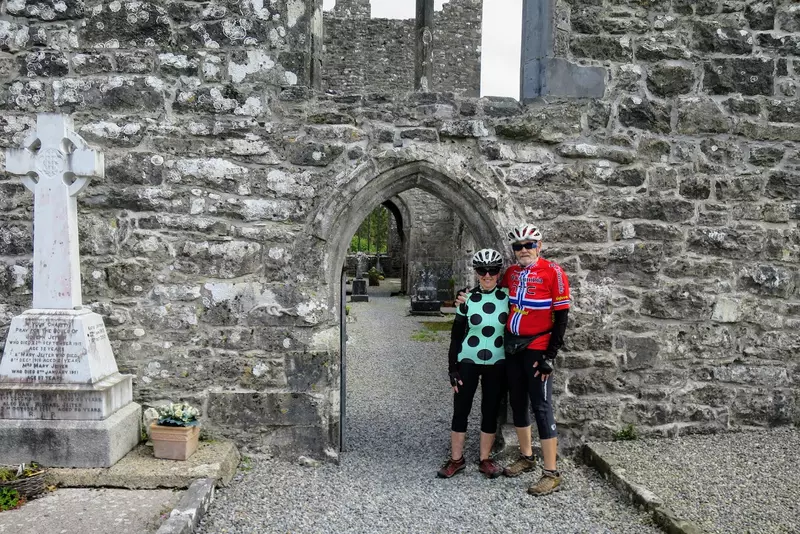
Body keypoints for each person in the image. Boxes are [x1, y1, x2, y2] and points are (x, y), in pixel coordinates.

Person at [456, 224, 570, 496]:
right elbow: (490, 290)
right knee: (518, 403)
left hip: (538, 347)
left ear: (539, 246)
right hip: (513, 348)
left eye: (528, 244)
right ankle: (527, 457)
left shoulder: (553, 272)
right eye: (518, 246)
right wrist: (464, 294)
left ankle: (551, 473)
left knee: (541, 406)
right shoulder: (511, 274)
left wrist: (550, 355)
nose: (523, 250)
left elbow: (562, 318)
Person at [437, 249, 509, 479]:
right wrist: (452, 369)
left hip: (497, 362)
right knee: (461, 409)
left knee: (490, 410)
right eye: (482, 270)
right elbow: (456, 337)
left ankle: (485, 459)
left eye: (492, 270)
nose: (487, 275)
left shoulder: (508, 297)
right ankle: (456, 460)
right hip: (468, 360)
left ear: (499, 272)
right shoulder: (466, 299)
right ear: (476, 272)